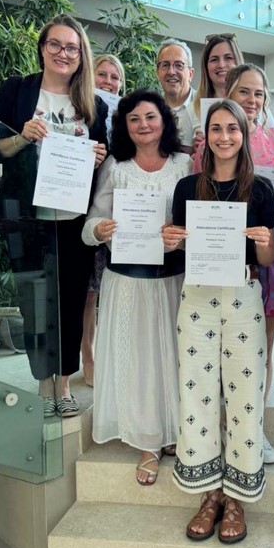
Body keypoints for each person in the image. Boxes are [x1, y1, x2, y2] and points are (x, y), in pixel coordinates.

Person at [163, 99, 274, 544]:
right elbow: (179, 247)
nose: (224, 136)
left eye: (233, 128)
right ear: (205, 136)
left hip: (244, 293)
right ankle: (208, 493)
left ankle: (237, 499)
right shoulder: (187, 187)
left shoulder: (260, 189)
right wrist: (171, 241)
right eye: (216, 128)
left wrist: (265, 243)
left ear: (244, 135)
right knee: (196, 391)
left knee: (245, 395)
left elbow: (266, 260)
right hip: (197, 295)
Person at [0, 13, 108, 418]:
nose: (63, 53)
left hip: (73, 220)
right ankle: (44, 384)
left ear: (81, 55)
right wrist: (21, 137)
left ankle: (64, 384)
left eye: (72, 47)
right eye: (55, 44)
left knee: (72, 301)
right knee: (35, 303)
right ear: (42, 48)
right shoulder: (17, 91)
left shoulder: (93, 104)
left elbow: (104, 161)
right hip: (27, 217)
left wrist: (99, 157)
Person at [82, 89, 191, 484]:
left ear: (164, 120)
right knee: (140, 360)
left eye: (150, 116)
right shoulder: (116, 166)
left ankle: (174, 430)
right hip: (127, 280)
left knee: (174, 357)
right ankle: (148, 441)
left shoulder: (184, 164)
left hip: (173, 280)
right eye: (134, 119)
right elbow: (90, 222)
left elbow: (197, 219)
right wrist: (100, 229)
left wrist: (182, 235)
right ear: (124, 126)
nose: (143, 125)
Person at [194, 64, 274, 464]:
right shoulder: (212, 142)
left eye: (259, 93)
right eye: (244, 92)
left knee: (261, 351)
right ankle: (220, 427)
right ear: (229, 94)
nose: (252, 100)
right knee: (219, 352)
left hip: (268, 262)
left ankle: (254, 428)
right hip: (219, 268)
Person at [81, 53, 127, 387]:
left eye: (114, 77)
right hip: (84, 206)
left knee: (104, 288)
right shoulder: (83, 109)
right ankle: (88, 355)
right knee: (88, 291)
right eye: (102, 74)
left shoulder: (127, 115)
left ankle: (110, 356)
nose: (108, 82)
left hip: (115, 212)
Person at [155, 38, 195, 152]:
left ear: (191, 74)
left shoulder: (205, 107)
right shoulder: (151, 110)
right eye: (165, 65)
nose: (171, 72)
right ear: (157, 72)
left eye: (179, 65)